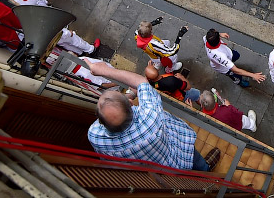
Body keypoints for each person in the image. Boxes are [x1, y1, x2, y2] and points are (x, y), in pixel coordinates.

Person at [84, 61, 221, 172]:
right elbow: (140, 82)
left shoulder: (95, 137)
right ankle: (205, 170)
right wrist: (102, 70)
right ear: (131, 103)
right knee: (195, 159)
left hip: (162, 171)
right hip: (180, 152)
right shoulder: (151, 116)